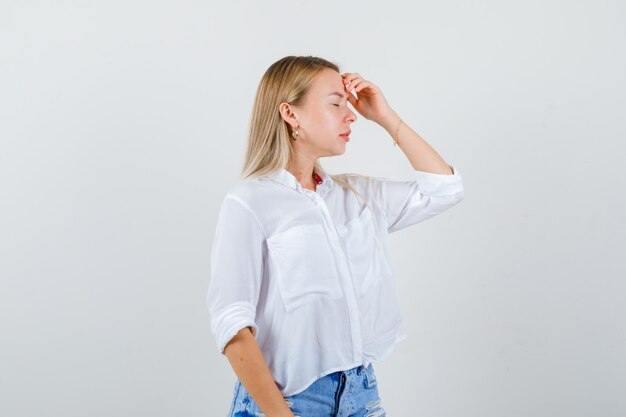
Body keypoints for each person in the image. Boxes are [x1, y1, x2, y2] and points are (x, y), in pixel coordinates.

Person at [207, 55, 464, 417]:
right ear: (290, 114)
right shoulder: (249, 202)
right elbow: (232, 324)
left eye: (349, 104)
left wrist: (386, 117)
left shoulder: (357, 197)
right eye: (335, 103)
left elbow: (446, 190)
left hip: (361, 396)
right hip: (287, 402)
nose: (351, 115)